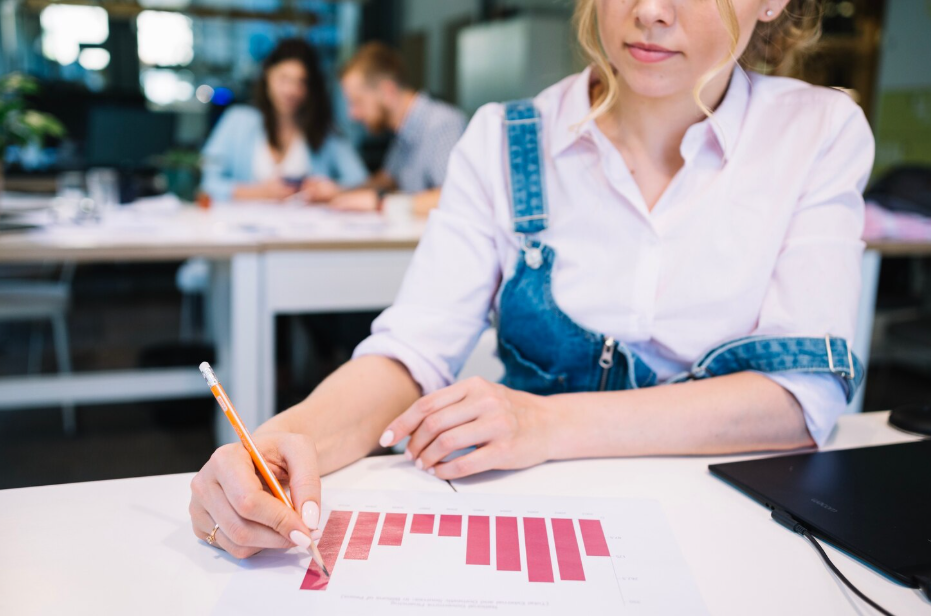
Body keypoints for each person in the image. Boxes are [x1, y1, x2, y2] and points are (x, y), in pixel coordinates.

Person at [189, 0, 874, 559]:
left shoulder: (816, 131)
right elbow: (411, 351)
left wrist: (544, 421)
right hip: (542, 530)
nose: (650, 11)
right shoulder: (503, 140)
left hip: (739, 542)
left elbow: (800, 399)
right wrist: (290, 441)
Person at [304, 42, 467, 216]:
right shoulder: (405, 130)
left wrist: (380, 203)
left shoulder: (443, 124)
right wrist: (339, 192)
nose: (353, 115)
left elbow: (455, 198)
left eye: (357, 102)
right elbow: (386, 180)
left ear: (387, 91)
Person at [200, 38, 367, 202]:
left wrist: (332, 189)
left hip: (305, 226)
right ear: (267, 77)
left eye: (301, 82)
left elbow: (360, 181)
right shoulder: (237, 121)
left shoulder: (323, 130)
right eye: (283, 78)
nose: (291, 90)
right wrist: (258, 192)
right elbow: (208, 185)